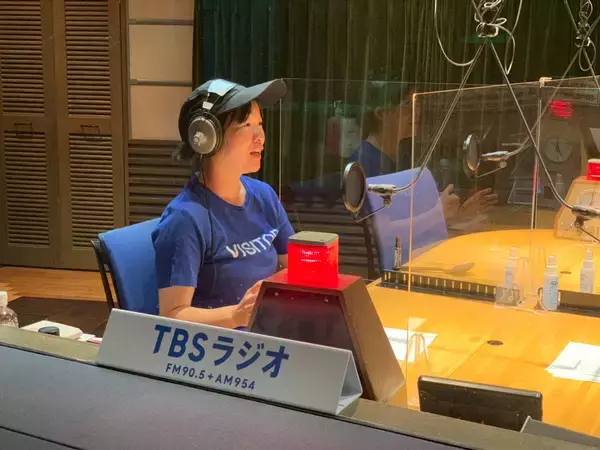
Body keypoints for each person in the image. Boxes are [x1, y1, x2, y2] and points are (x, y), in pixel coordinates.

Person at [152, 78, 294, 329]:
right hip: (223, 346)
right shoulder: (185, 220)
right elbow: (171, 316)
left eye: (260, 124)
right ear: (208, 137)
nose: (260, 137)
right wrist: (235, 316)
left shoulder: (265, 196)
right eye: (246, 125)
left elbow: (292, 264)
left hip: (271, 332)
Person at [348, 83, 497, 224]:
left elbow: (415, 224)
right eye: (408, 104)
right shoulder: (364, 163)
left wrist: (460, 214)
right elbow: (383, 231)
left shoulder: (402, 158)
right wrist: (438, 214)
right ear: (381, 113)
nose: (416, 112)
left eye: (417, 103)